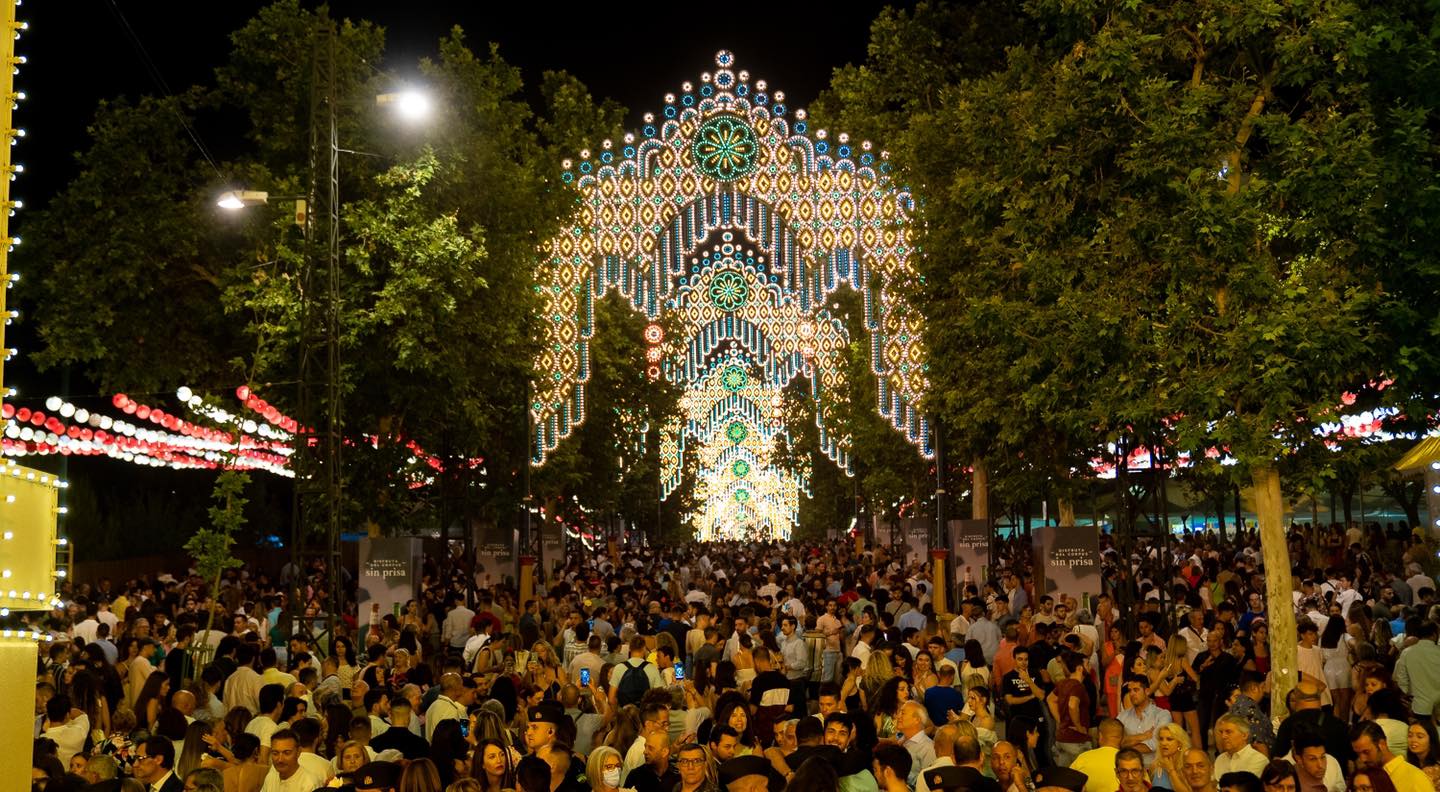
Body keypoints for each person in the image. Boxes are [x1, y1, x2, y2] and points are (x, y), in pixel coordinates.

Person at [1352, 720, 1433, 792]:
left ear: (1382, 744)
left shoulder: (1415, 778)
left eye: (1366, 752)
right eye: (1358, 754)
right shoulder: (1362, 777)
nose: (1362, 759)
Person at [1118, 675, 1172, 768]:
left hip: (1154, 770)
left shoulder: (1162, 715)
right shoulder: (1122, 717)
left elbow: (1153, 745)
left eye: (1136, 690)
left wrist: (1126, 745)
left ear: (1147, 691)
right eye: (1130, 690)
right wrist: (1143, 736)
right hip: (1128, 771)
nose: (1132, 694)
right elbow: (1116, 742)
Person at [1395, 620, 1440, 723]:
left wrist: (1412, 695)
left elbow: (1402, 681)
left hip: (1419, 707)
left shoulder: (1407, 653)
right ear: (1434, 634)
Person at [259, 729, 323, 791]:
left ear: (298, 752)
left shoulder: (309, 783)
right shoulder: (271, 777)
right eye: (275, 753)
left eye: (287, 753)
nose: (280, 759)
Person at [1070, 719, 1123, 792]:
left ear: (1100, 736)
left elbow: (1067, 784)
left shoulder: (1083, 757)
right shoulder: (1130, 761)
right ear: (1122, 738)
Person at [1151, 722, 1191, 791]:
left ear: (1179, 743)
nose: (1163, 743)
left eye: (1169, 739)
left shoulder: (1187, 765)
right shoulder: (1155, 765)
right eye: (1161, 739)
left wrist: (1171, 770)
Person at [1404, 720, 1440, 791]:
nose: (1413, 740)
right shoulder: (1412, 761)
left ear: (1431, 740)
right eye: (1410, 736)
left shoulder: (1434, 769)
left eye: (1420, 737)